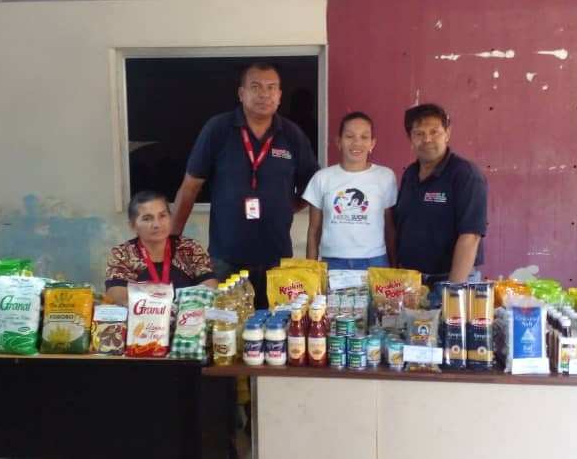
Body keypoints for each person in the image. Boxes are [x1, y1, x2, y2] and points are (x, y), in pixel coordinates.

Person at [171, 62, 319, 308]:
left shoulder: (292, 134)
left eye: (271, 87)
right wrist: (172, 241)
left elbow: (313, 186)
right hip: (225, 256)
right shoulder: (218, 129)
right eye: (256, 87)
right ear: (241, 93)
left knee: (275, 324)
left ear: (279, 95)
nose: (264, 94)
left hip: (276, 256)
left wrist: (289, 206)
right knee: (224, 324)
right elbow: (190, 187)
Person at [393, 103, 488, 306]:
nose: (427, 139)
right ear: (410, 139)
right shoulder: (410, 174)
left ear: (447, 134)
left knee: (448, 328)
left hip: (450, 281)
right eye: (419, 133)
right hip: (412, 284)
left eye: (434, 132)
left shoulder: (465, 175)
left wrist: (453, 292)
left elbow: (470, 236)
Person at [303, 112, 398, 270]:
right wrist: (310, 270)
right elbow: (314, 230)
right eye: (349, 136)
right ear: (339, 141)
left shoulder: (385, 177)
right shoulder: (322, 178)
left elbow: (390, 228)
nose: (357, 143)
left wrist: (394, 266)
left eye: (364, 137)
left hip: (375, 262)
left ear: (372, 143)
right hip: (332, 263)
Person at [105, 190, 218, 305]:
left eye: (162, 216)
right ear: (133, 226)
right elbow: (116, 294)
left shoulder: (189, 248)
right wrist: (157, 308)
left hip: (187, 313)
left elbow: (210, 284)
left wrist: (180, 307)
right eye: (147, 218)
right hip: (142, 315)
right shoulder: (123, 253)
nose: (157, 224)